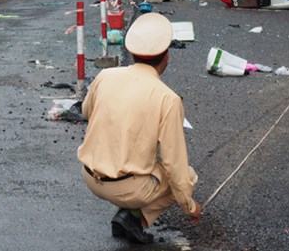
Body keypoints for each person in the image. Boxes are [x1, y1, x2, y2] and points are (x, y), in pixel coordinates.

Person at [77, 13, 201, 245]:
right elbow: (175, 163)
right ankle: (137, 219)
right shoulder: (168, 99)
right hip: (127, 188)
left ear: (132, 52)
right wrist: (190, 206)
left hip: (89, 176)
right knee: (187, 175)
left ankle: (128, 216)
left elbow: (86, 112)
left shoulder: (106, 76)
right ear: (167, 56)